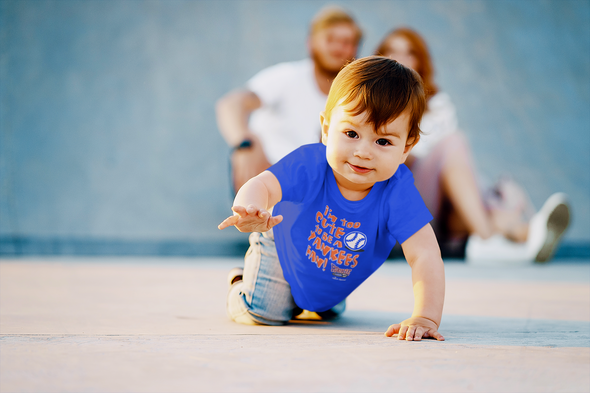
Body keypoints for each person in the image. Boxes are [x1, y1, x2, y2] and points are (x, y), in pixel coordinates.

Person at [218, 56, 445, 341]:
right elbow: (263, 184)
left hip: (333, 274)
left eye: (383, 141)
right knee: (267, 311)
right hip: (282, 247)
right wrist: (250, 208)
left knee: (324, 308)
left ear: (406, 148)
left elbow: (425, 254)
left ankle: (317, 300)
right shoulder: (309, 163)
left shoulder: (397, 192)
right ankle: (241, 284)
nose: (363, 151)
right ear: (326, 129)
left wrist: (425, 316)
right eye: (351, 133)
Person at [375, 27, 571, 263]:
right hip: (402, 205)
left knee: (458, 163)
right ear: (380, 57)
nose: (400, 59)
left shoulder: (437, 105)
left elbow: (451, 169)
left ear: (420, 60)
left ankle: (525, 235)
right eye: (392, 52)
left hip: (444, 214)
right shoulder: (372, 102)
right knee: (454, 142)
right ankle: (506, 236)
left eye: (409, 53)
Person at [216, 5, 362, 193]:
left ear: (356, 48)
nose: (338, 47)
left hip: (315, 191)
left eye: (346, 41)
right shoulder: (287, 77)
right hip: (265, 178)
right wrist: (244, 143)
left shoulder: (358, 96)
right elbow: (231, 104)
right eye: (330, 39)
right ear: (310, 43)